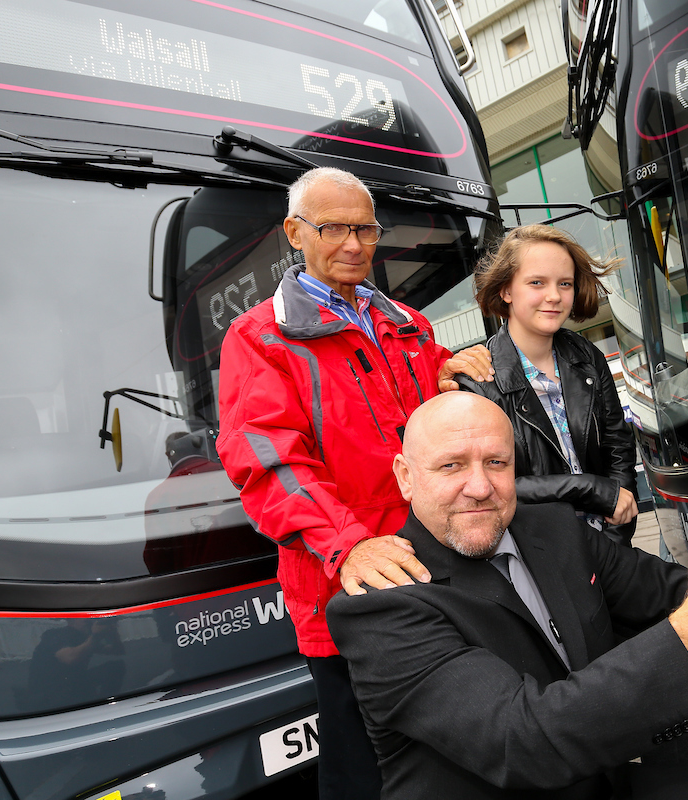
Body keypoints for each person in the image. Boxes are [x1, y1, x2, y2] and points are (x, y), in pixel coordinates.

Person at [326, 392, 688, 800]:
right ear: (405, 476)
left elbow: (670, 591)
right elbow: (525, 739)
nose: (479, 487)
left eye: (497, 462)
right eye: (451, 466)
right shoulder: (379, 608)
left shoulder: (553, 528)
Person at [215, 166, 493, 800]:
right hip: (347, 587)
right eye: (332, 227)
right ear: (294, 233)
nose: (353, 244)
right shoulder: (259, 337)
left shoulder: (412, 328)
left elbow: (429, 435)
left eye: (365, 228)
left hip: (437, 571)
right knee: (363, 766)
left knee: (456, 751)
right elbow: (268, 461)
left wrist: (457, 373)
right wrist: (350, 546)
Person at [460, 224, 639, 546]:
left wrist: (616, 531)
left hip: (608, 544)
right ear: (506, 290)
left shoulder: (587, 356)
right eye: (537, 282)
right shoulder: (478, 380)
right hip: (538, 551)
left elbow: (618, 446)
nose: (554, 296)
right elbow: (490, 483)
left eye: (565, 283)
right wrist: (589, 488)